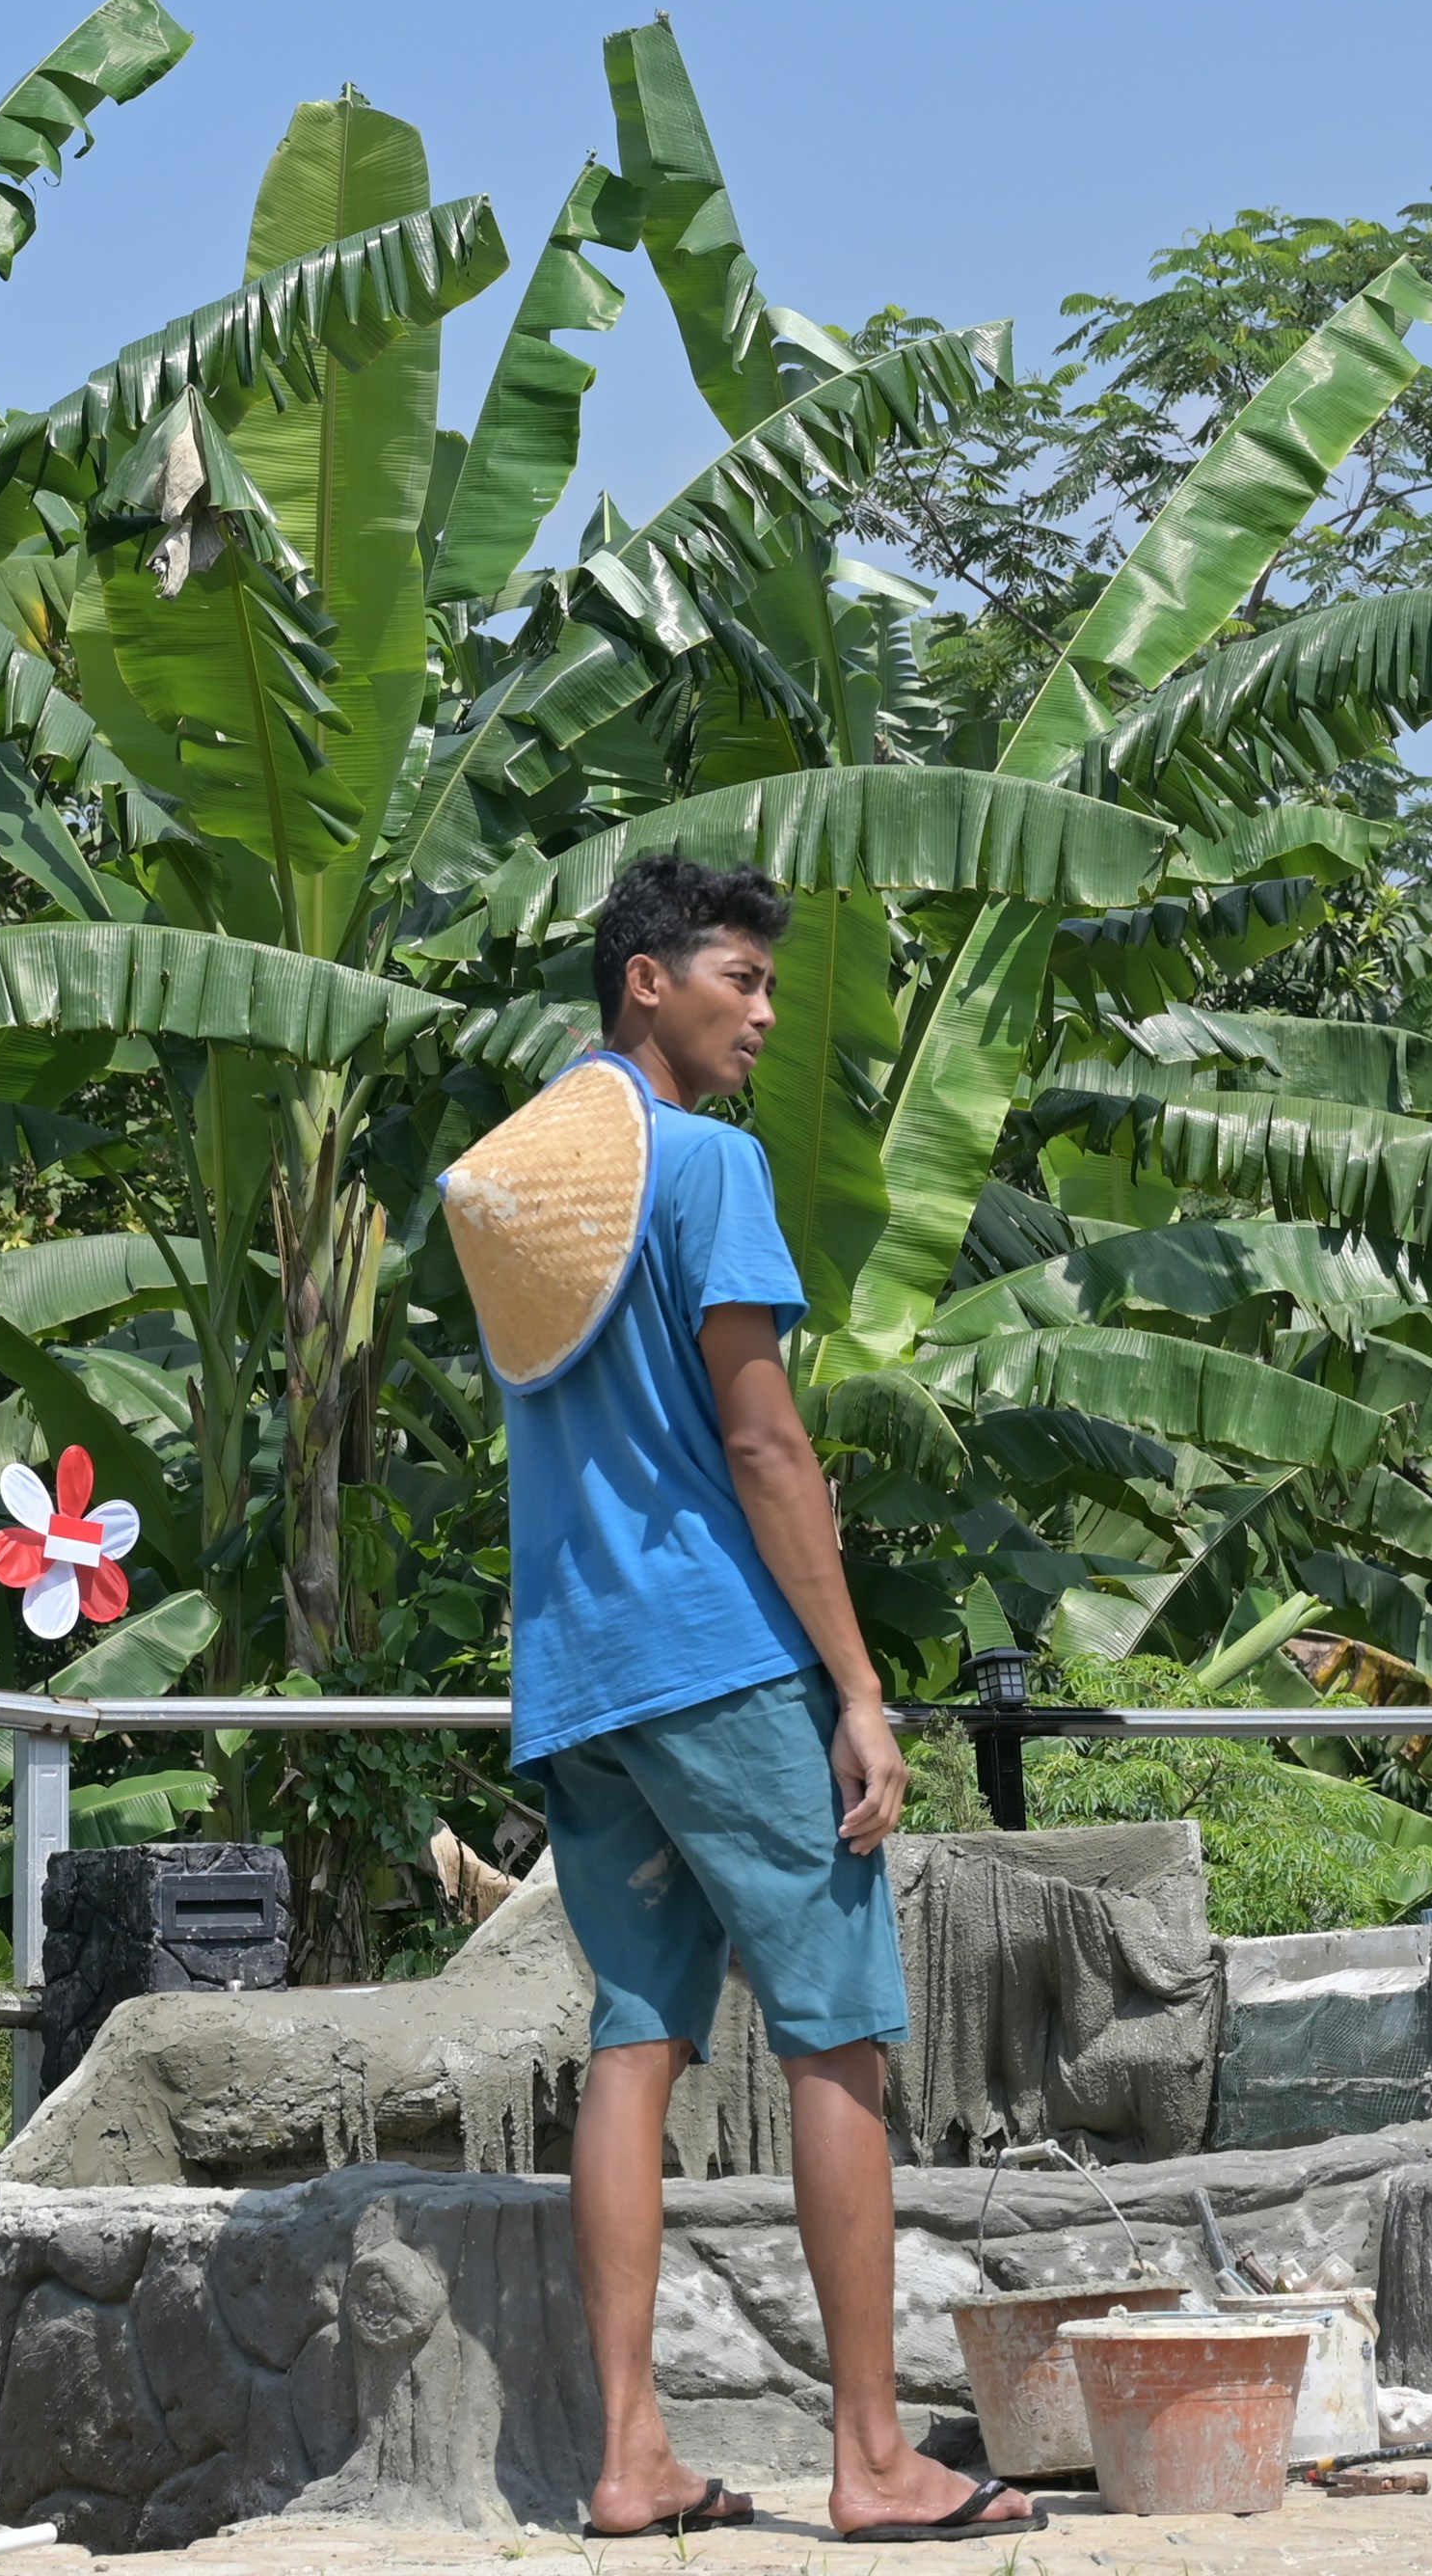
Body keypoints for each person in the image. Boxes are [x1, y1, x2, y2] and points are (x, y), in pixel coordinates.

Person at [506, 852, 1036, 2545]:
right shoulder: (706, 1165)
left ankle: (630, 2460)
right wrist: (861, 1686)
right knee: (838, 2038)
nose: (761, 1015)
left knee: (633, 2041)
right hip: (718, 1659)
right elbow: (761, 1438)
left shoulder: (527, 1180)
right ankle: (877, 2465)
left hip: (576, 1676)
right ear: (644, 980)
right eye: (736, 978)